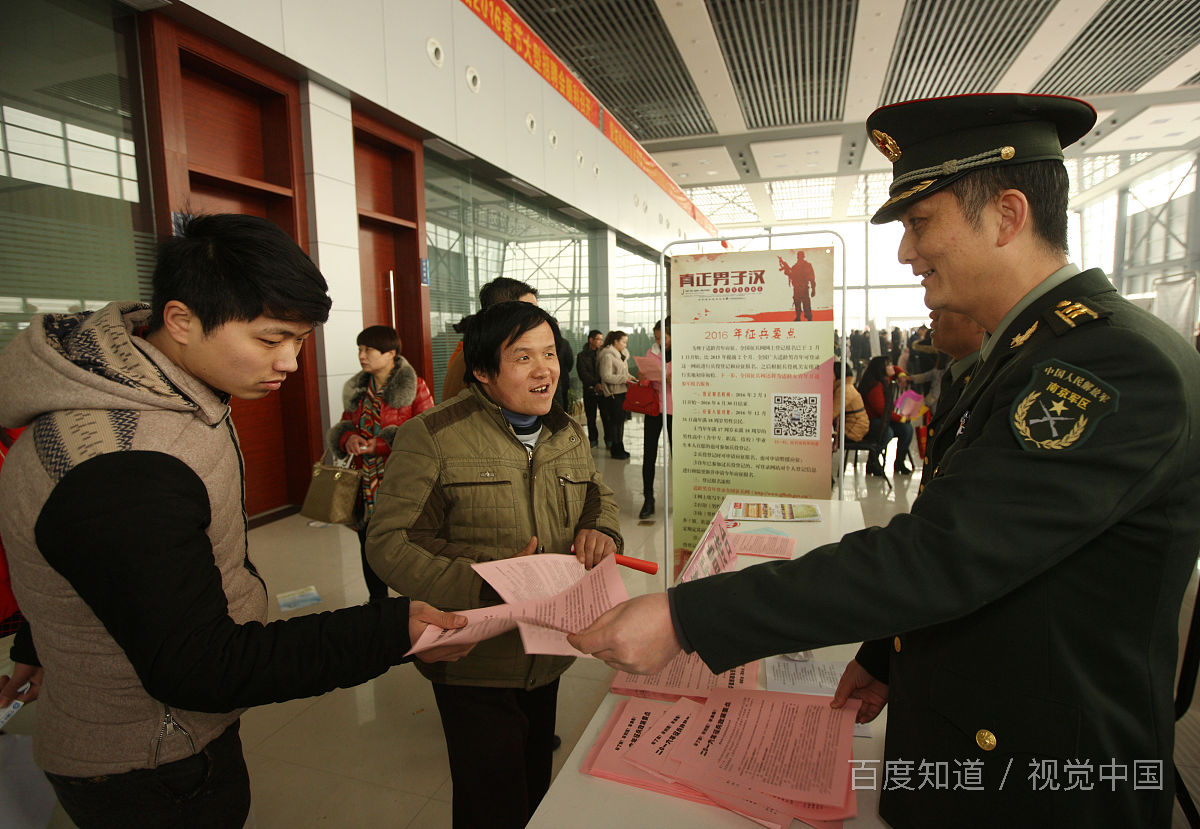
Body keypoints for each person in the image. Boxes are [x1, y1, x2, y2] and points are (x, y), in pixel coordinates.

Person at [568, 94, 1200, 829]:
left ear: (1007, 214)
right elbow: (985, 537)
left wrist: (686, 615)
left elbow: (939, 555)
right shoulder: (1029, 353)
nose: (905, 252)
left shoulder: (1111, 364)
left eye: (920, 222)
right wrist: (890, 656)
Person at [0, 214, 471, 829]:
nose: (291, 363)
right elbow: (201, 666)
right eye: (270, 339)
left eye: (299, 341)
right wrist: (391, 631)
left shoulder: (152, 382)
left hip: (138, 719)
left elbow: (96, 563)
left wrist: (45, 638)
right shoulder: (123, 466)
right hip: (152, 763)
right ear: (180, 321)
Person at [365, 300, 622, 829]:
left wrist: (602, 526)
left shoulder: (566, 429)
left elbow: (596, 492)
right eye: (523, 357)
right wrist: (490, 579)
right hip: (473, 659)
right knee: (490, 803)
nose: (544, 368)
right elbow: (390, 543)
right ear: (482, 370)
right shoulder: (433, 435)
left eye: (549, 353)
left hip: (549, 647)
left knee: (533, 787)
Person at [328, 325, 434, 602]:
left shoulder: (415, 386)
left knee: (404, 543)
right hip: (365, 481)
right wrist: (348, 438)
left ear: (390, 354)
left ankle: (415, 603)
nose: (362, 356)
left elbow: (428, 433)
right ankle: (378, 603)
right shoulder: (359, 390)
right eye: (359, 349)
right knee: (367, 544)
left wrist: (381, 444)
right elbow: (345, 423)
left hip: (400, 480)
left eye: (368, 350)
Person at [441, 277, 538, 402]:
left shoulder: (474, 353)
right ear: (502, 314)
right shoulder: (481, 359)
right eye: (529, 314)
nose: (539, 321)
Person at [919, 309, 985, 490]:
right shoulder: (957, 374)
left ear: (979, 322)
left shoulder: (987, 380)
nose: (933, 316)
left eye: (944, 307)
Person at [857, 354, 914, 476]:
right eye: (888, 364)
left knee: (906, 429)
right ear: (881, 369)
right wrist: (902, 418)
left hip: (882, 419)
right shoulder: (875, 386)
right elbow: (882, 412)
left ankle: (899, 462)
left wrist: (902, 375)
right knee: (888, 432)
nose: (892, 366)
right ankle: (873, 461)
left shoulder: (883, 377)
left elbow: (897, 369)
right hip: (870, 421)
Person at [639, 318, 672, 519]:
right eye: (657, 338)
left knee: (678, 457)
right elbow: (645, 380)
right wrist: (643, 377)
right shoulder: (651, 353)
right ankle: (648, 499)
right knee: (648, 455)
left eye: (664, 338)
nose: (660, 341)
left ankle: (681, 500)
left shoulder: (682, 352)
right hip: (653, 410)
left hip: (674, 411)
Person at [597, 330, 633, 459]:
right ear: (615, 342)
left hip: (622, 392)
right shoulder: (607, 355)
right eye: (623, 342)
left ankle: (620, 446)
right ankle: (615, 449)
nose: (625, 345)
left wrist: (632, 379)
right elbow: (605, 376)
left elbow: (625, 374)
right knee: (615, 423)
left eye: (626, 342)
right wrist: (624, 379)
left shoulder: (622, 355)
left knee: (620, 422)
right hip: (613, 394)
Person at [575, 329, 604, 447]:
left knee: (606, 416)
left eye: (602, 339)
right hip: (589, 389)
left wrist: (601, 383)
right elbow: (582, 373)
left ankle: (609, 440)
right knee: (591, 417)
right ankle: (593, 439)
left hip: (602, 389)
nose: (600, 342)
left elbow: (605, 370)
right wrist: (594, 383)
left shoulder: (602, 354)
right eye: (598, 339)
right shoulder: (582, 356)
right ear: (591, 340)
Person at [831, 362, 869, 445]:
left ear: (838, 373)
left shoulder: (844, 390)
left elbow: (832, 413)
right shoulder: (845, 386)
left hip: (852, 431)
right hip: (855, 427)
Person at [778, 250, 816, 321]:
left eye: (800, 256)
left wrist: (813, 289)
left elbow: (812, 278)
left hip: (803, 287)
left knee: (805, 303)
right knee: (797, 303)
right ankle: (799, 316)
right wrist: (786, 269)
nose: (800, 258)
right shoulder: (795, 267)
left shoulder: (807, 265)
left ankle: (808, 317)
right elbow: (791, 275)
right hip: (797, 288)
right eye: (799, 257)